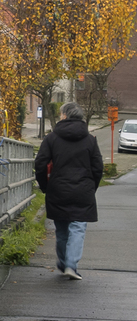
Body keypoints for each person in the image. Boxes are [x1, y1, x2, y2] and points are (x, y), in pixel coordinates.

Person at [34, 101, 102, 282]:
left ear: (64, 116)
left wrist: (45, 186)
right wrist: (91, 187)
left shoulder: (52, 138)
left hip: (58, 189)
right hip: (83, 191)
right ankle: (71, 265)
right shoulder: (90, 140)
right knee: (78, 228)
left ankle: (64, 263)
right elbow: (98, 168)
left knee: (62, 230)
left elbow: (40, 164)